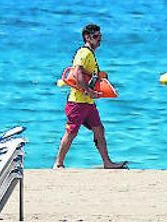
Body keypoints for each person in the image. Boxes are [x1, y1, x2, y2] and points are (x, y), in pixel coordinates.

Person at [53, 23, 127, 169]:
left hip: (88, 102)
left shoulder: (90, 54)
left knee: (99, 129)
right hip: (77, 102)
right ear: (87, 37)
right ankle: (58, 163)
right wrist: (88, 90)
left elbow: (87, 75)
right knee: (72, 132)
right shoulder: (84, 52)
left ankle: (107, 162)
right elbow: (77, 73)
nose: (99, 40)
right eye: (96, 37)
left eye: (100, 37)